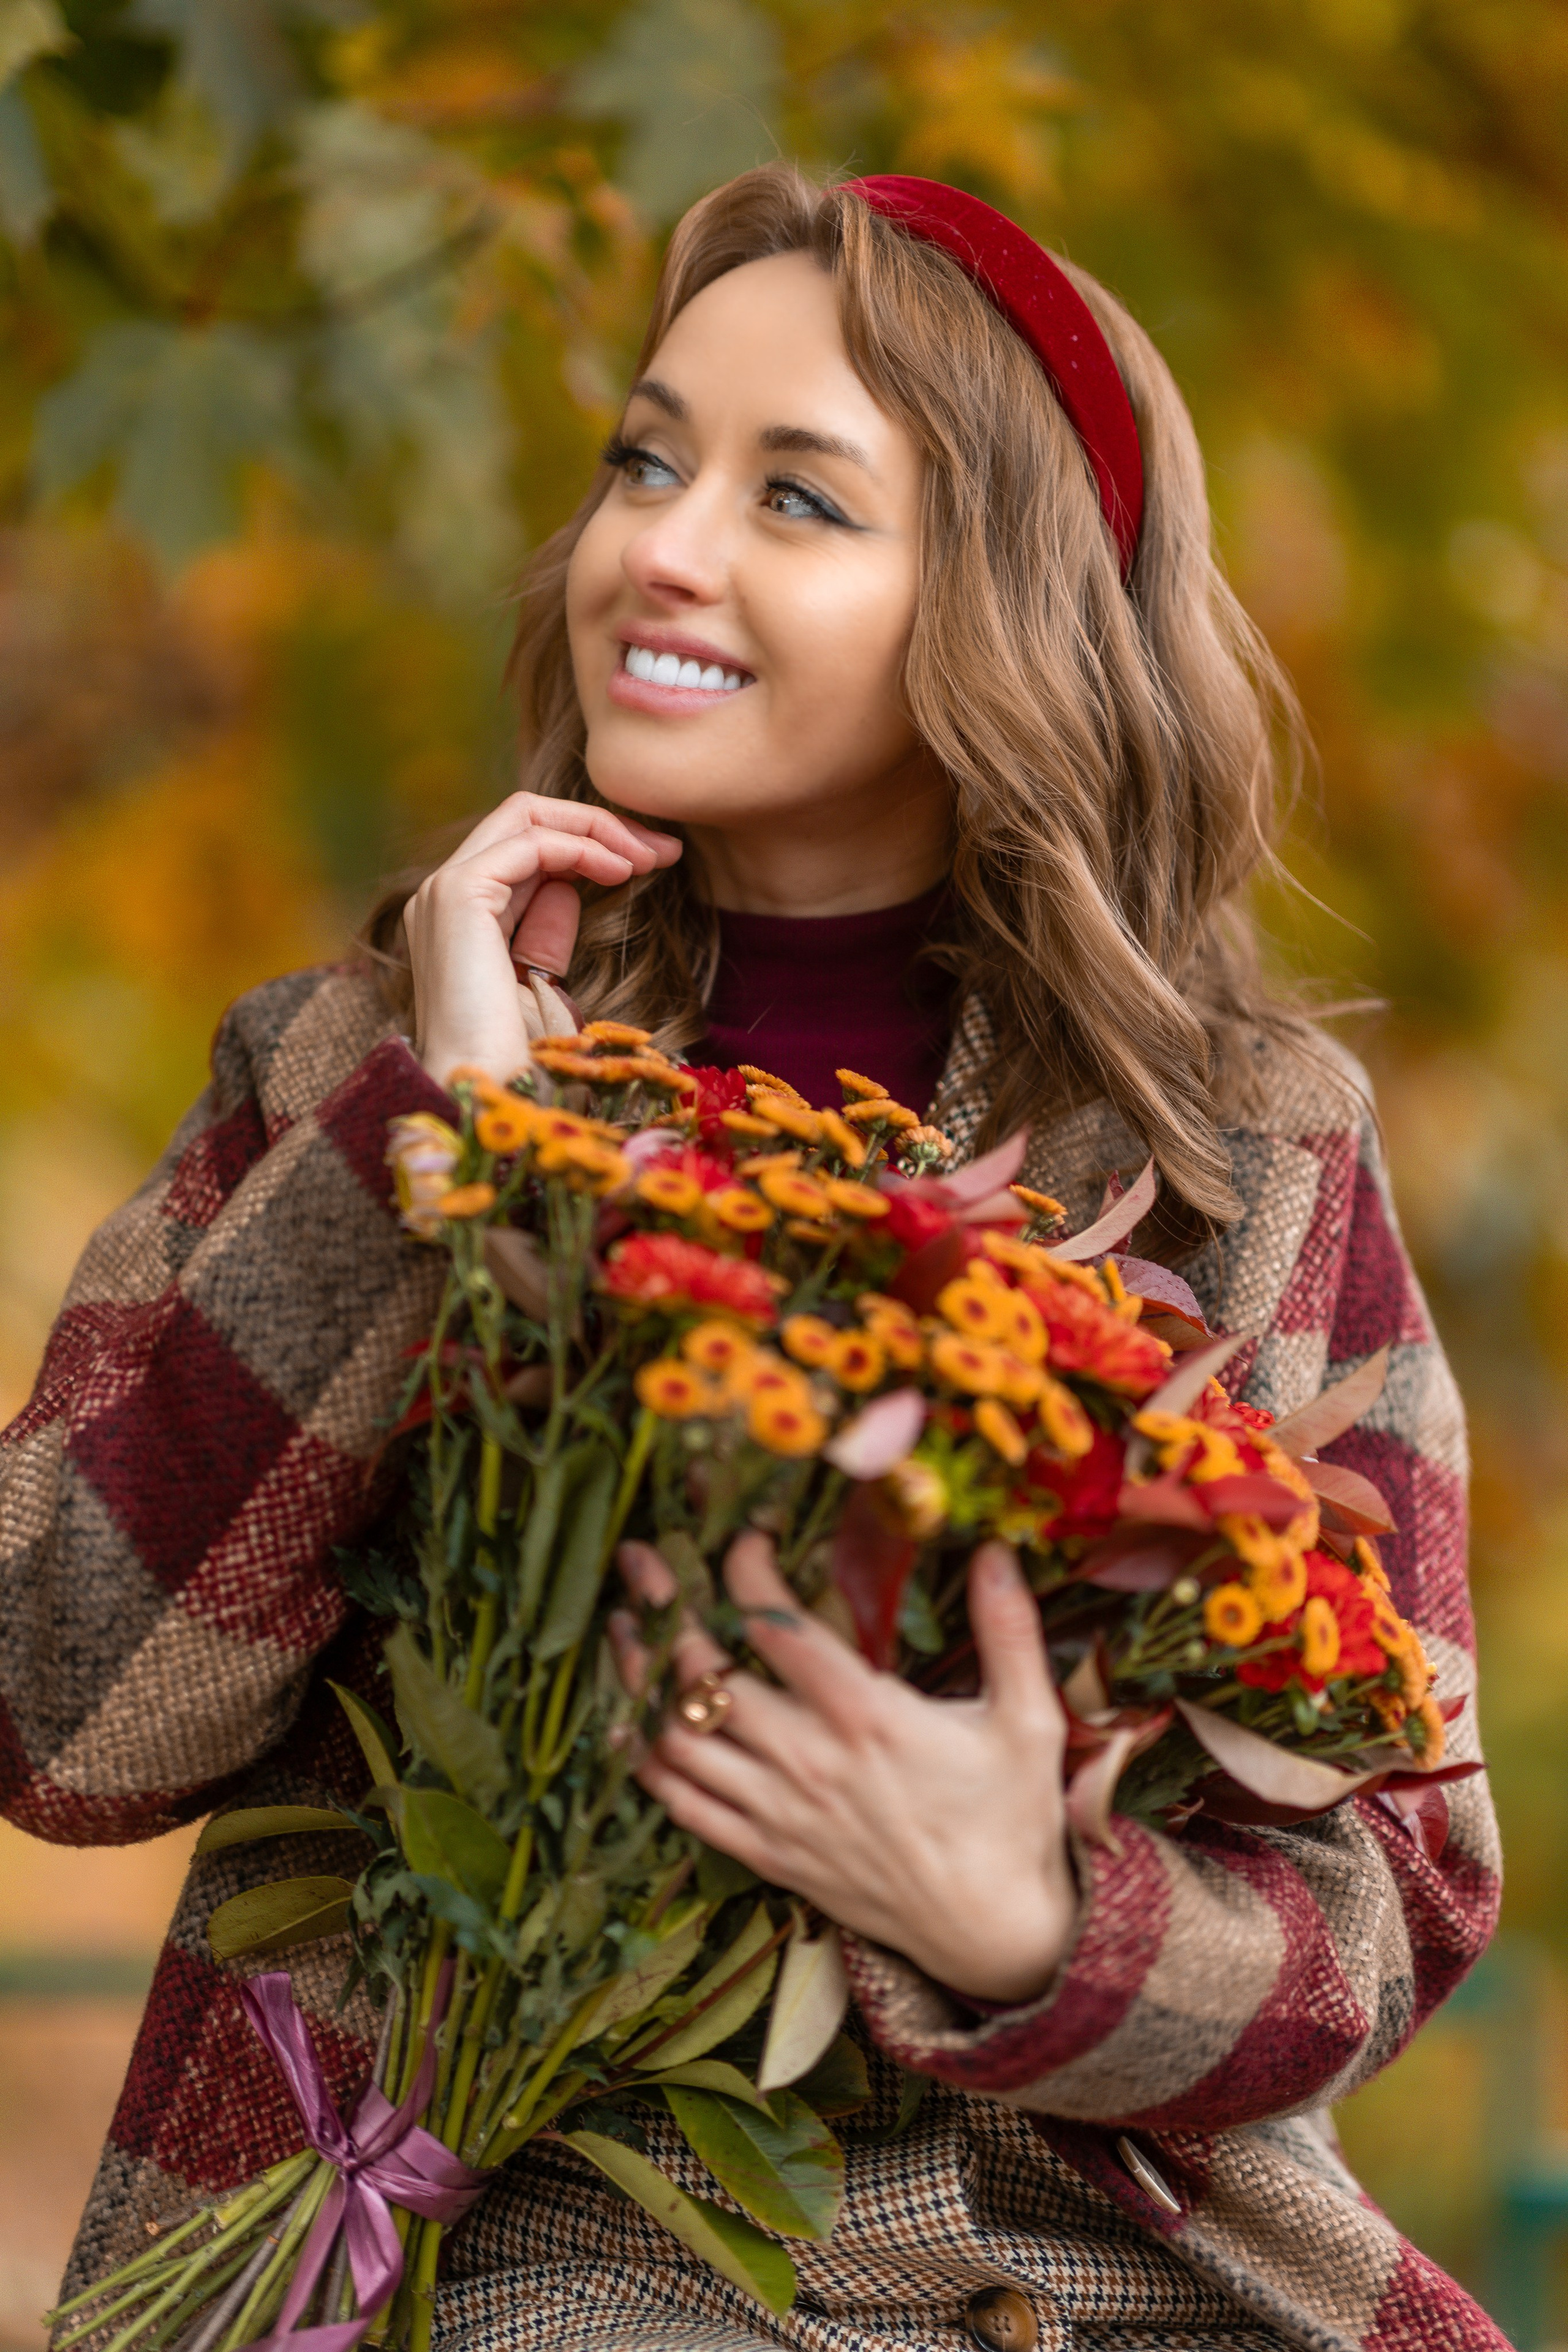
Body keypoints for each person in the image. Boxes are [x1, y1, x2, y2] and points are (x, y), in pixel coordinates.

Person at [1, 166, 1501, 2352]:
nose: (659, 549)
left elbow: (1399, 1896)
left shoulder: (1240, 1156)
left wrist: (1027, 1924)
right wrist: (437, 1152)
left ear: (1003, 608)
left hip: (1092, 2285)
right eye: (644, 458)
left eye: (797, 500)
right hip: (450, 2259)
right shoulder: (351, 1059)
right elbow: (64, 1711)